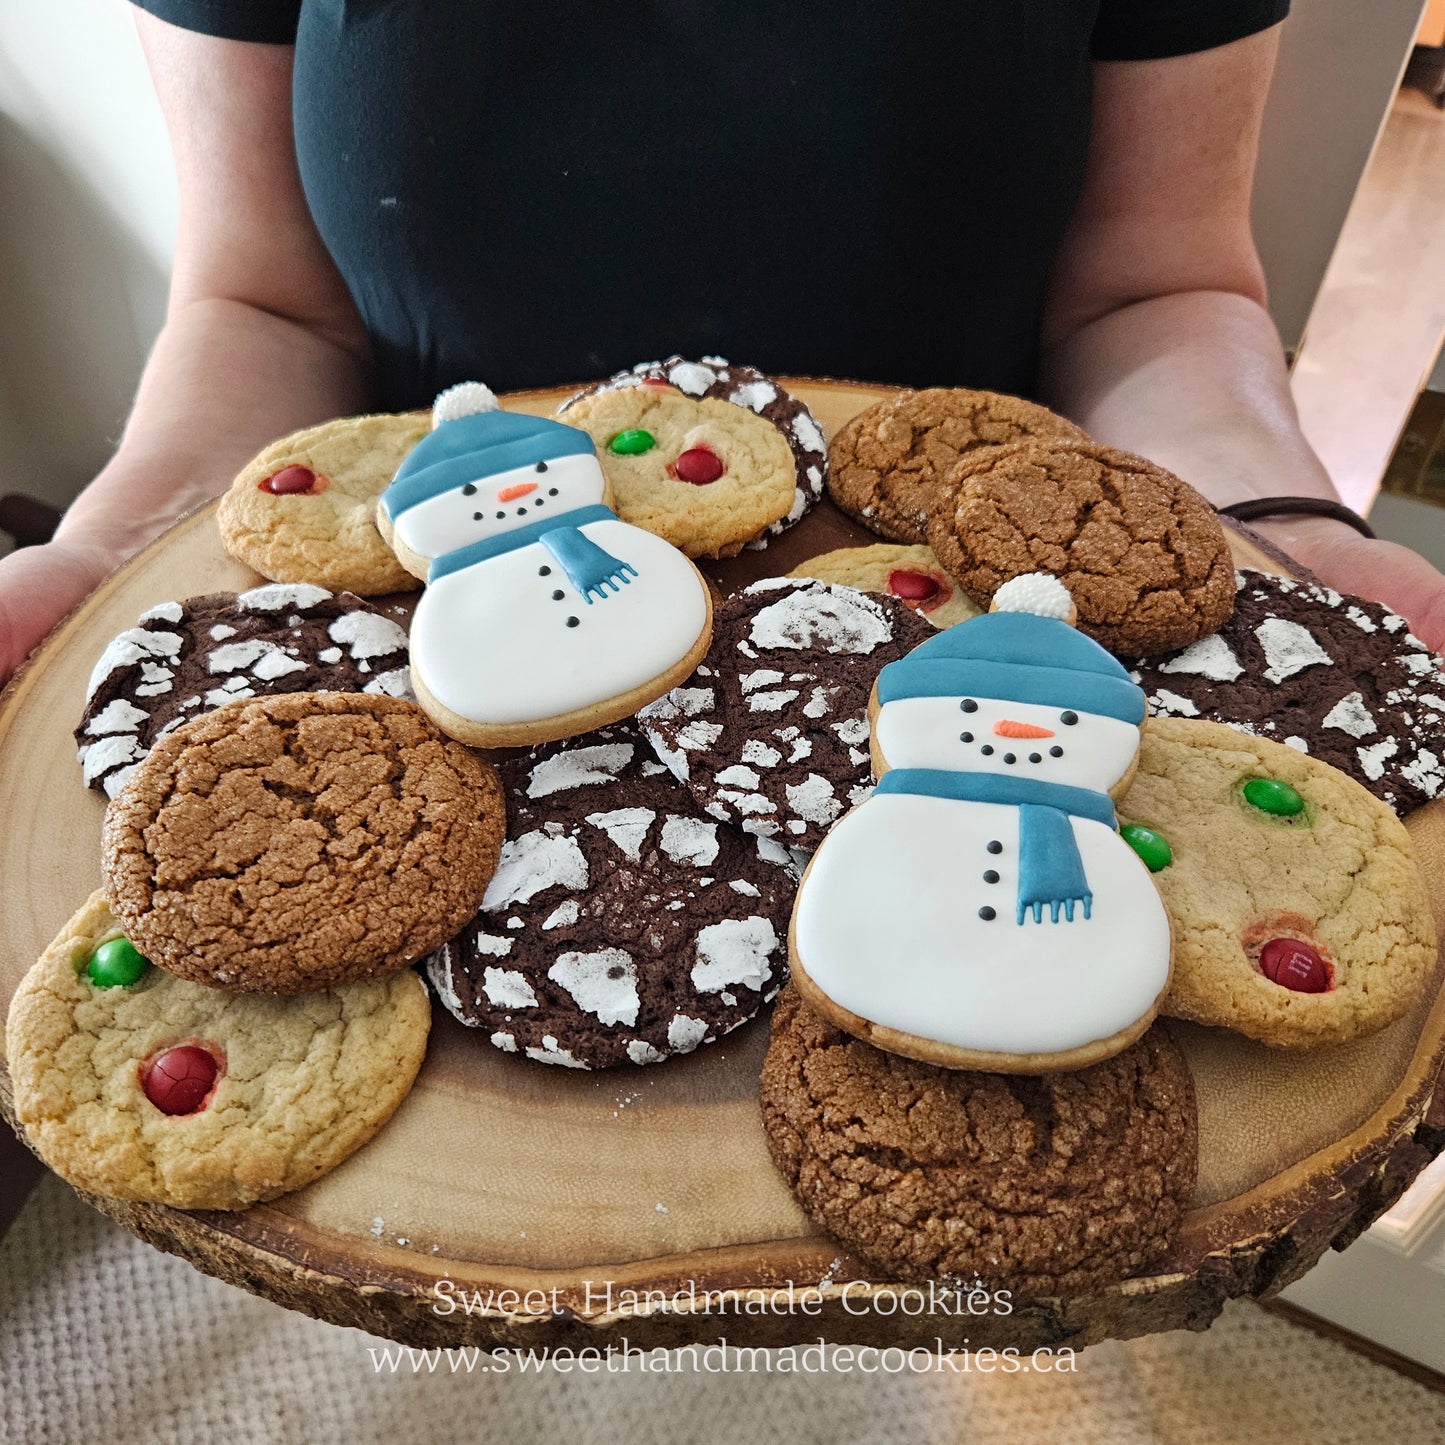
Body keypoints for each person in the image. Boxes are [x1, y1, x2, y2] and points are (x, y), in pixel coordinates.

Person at [2, 0, 1442, 687]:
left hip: (981, 655)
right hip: (431, 640)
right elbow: (265, 301)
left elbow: (1152, 290)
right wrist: (112, 549)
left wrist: (1277, 518)